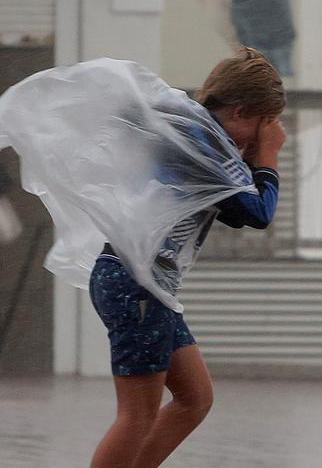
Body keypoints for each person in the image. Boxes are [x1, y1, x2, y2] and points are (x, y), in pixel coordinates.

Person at [0, 47, 286, 468]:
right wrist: (269, 157)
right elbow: (256, 213)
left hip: (141, 283)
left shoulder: (192, 131)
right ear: (241, 111)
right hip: (138, 284)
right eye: (264, 125)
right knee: (137, 414)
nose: (260, 138)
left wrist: (252, 154)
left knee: (194, 398)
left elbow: (237, 209)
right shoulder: (200, 142)